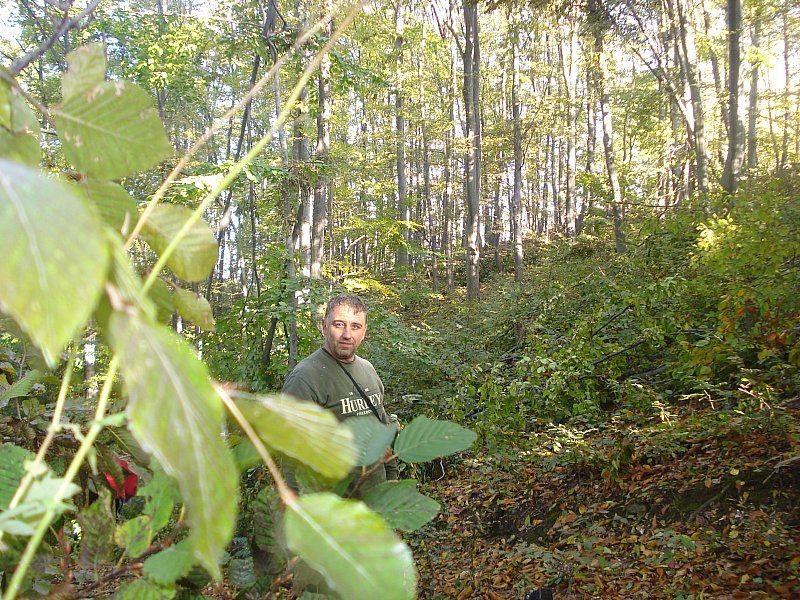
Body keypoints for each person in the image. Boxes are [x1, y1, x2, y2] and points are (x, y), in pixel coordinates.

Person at [282, 293, 399, 496]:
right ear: (324, 326)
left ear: (364, 332)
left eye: (355, 326)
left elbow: (384, 429)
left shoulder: (368, 370)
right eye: (339, 324)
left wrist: (392, 477)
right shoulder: (305, 379)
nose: (347, 334)